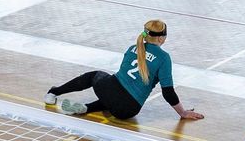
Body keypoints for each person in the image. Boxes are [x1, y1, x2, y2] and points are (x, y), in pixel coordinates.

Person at [44, 19, 203, 121]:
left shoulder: (134, 48)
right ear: (162, 38)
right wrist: (182, 113)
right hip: (127, 110)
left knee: (97, 77)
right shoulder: (163, 58)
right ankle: (87, 108)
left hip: (109, 91)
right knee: (118, 98)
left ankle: (54, 92)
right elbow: (167, 92)